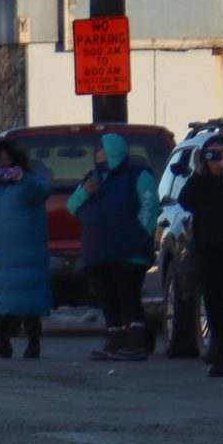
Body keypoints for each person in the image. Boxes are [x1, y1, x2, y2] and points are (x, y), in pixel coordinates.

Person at [67, 131, 158, 362]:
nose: (97, 153)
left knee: (128, 295)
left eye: (101, 149)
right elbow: (72, 206)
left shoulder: (137, 174)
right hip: (97, 253)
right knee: (107, 298)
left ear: (112, 150)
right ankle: (116, 340)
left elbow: (149, 204)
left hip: (129, 250)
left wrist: (142, 233)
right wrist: (84, 192)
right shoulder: (93, 179)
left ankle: (137, 342)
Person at [0, 137, 51, 359]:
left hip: (25, 250)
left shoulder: (29, 181)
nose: (4, 165)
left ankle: (33, 342)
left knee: (27, 297)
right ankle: (1, 341)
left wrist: (23, 179)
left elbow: (42, 192)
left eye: (8, 160)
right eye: (0, 160)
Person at [177, 135, 223, 376]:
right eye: (211, 154)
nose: (214, 159)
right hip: (209, 252)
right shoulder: (202, 182)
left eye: (220, 153)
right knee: (215, 304)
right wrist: (197, 171)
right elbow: (185, 200)